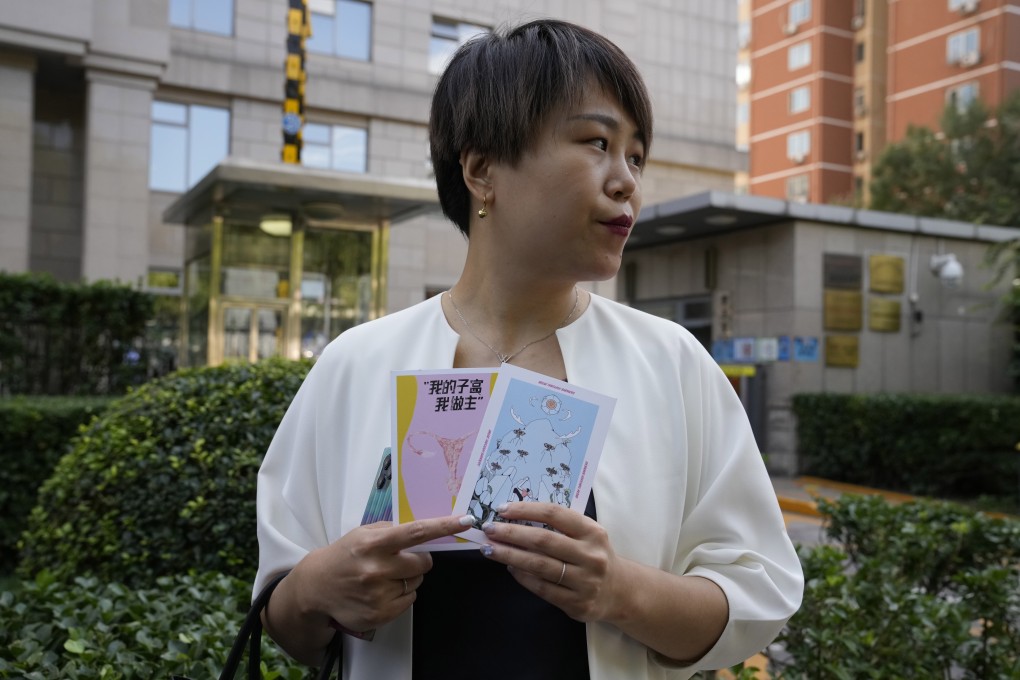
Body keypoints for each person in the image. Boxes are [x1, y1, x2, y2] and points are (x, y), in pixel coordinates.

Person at [255, 18, 803, 679]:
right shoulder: (356, 363)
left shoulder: (672, 362)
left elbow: (757, 592)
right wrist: (316, 590)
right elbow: (285, 616)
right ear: (482, 168)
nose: (626, 178)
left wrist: (620, 590)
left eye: (635, 155)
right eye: (597, 142)